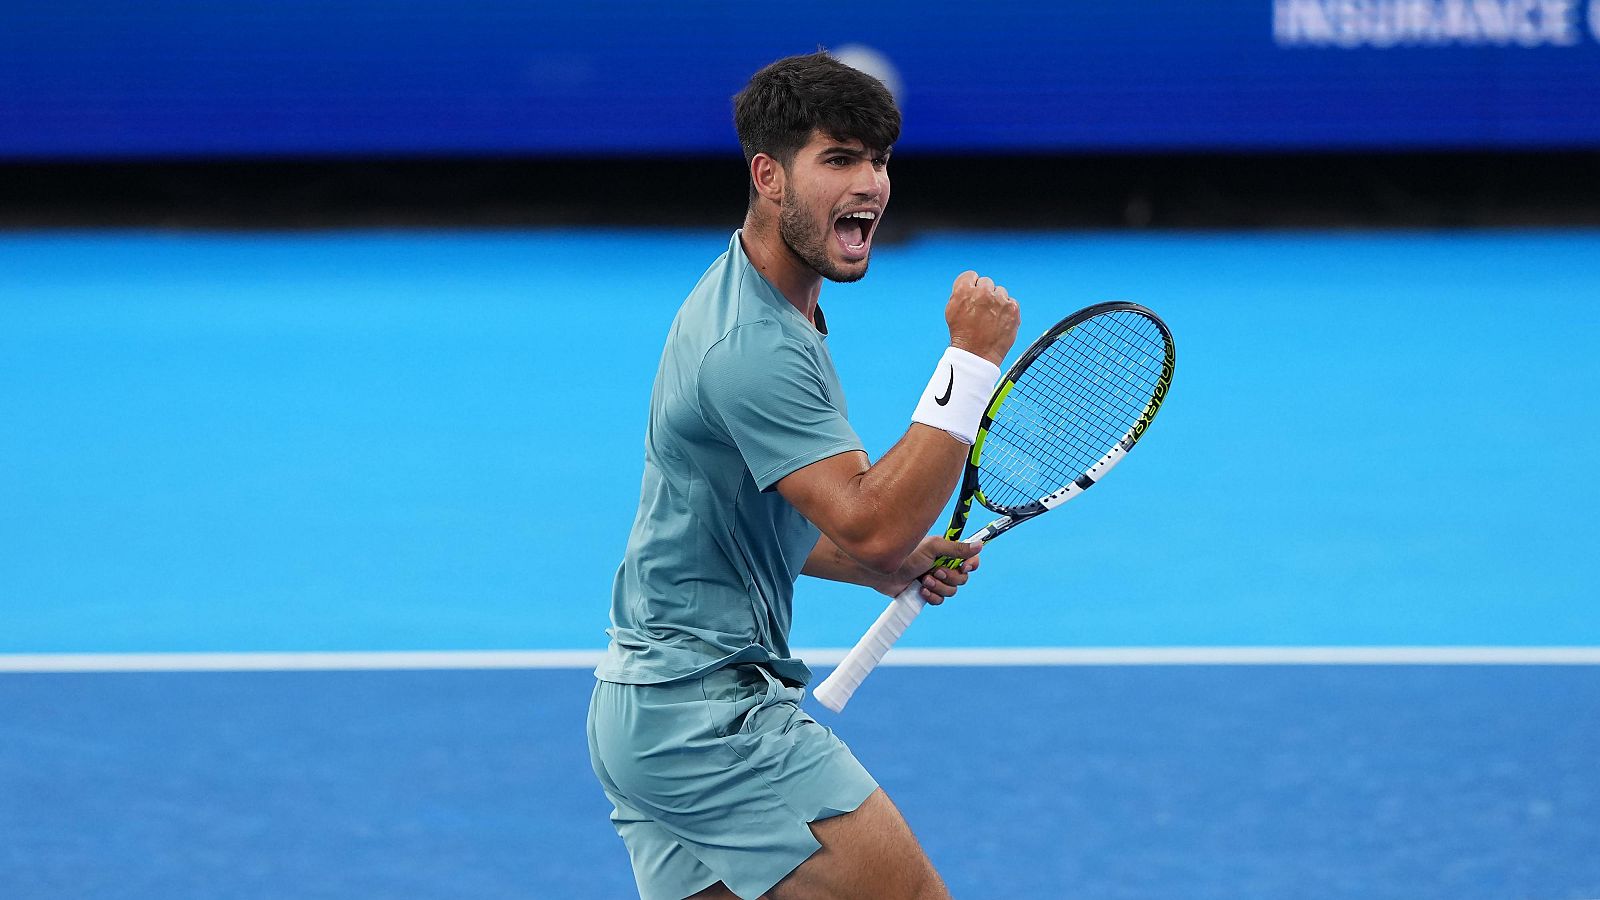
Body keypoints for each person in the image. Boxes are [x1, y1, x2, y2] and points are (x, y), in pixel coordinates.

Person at [586, 51, 1020, 900]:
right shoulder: (755, 347)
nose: (869, 183)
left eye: (879, 161)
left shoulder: (767, 303)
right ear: (768, 176)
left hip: (644, 715)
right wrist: (970, 363)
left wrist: (881, 568)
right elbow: (870, 517)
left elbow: (767, 515)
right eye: (839, 159)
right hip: (706, 718)